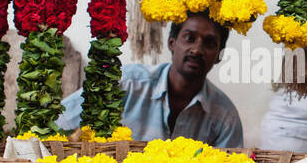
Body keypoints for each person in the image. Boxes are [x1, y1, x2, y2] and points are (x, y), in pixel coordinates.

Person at [57, 12, 243, 147]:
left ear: (219, 55)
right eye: (189, 38)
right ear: (172, 43)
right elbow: (60, 121)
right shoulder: (126, 83)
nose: (197, 49)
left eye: (209, 43)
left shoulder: (225, 116)